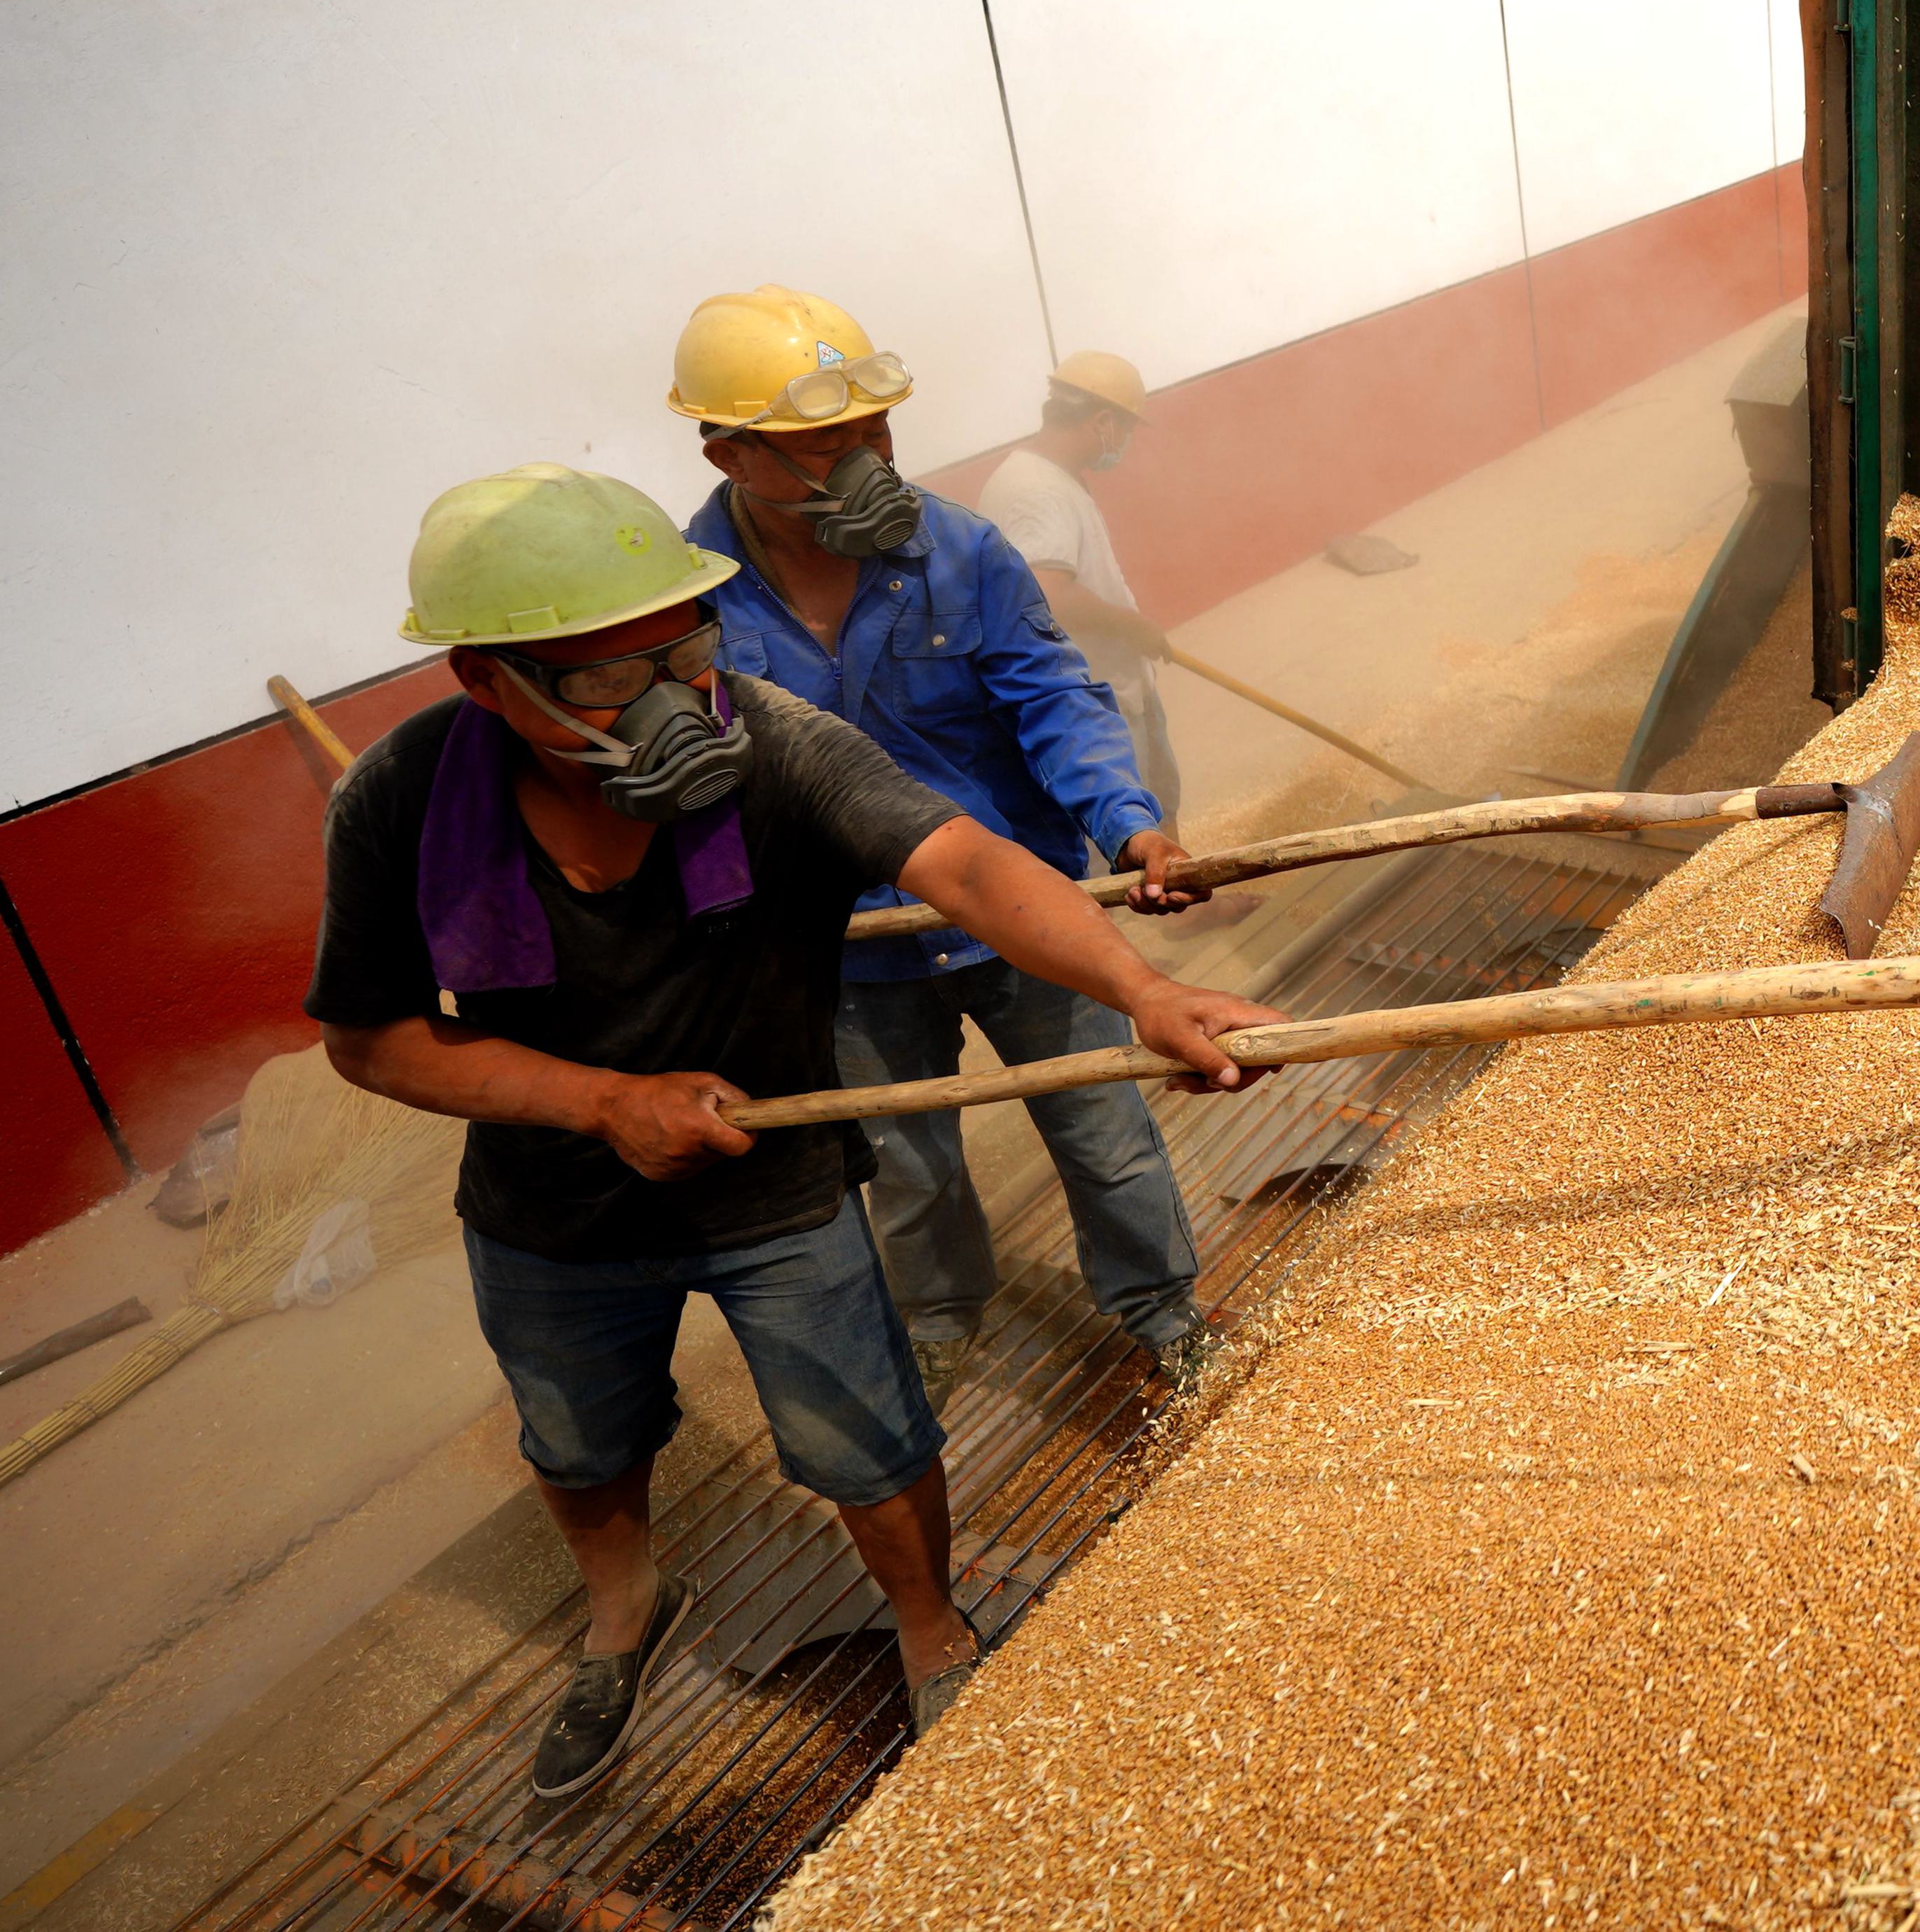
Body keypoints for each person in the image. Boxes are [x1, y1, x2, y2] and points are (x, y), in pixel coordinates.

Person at [309, 465, 1275, 1788]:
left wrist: (1142, 989)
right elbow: (369, 1038)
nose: (667, 701)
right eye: (603, 681)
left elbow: (971, 865)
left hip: (773, 1181)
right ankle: (626, 1614)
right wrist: (599, 1101)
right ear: (489, 682)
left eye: (681, 649)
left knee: (865, 1439)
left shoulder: (772, 742)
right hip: (550, 1207)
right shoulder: (398, 804)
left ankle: (931, 1627)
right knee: (581, 1446)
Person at [664, 288, 1215, 1403]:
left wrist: (1126, 818)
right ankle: (943, 1318)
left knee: (1103, 1131)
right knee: (910, 1164)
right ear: (730, 452)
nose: (867, 465)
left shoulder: (961, 552)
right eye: (826, 445)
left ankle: (1160, 1311)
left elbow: (1054, 693)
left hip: (1020, 908)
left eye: (876, 433)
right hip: (853, 943)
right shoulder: (686, 606)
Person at [976, 352, 1180, 827]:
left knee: (1161, 804)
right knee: (1129, 827)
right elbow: (1049, 594)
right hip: (1093, 703)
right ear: (1103, 422)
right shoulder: (1036, 490)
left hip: (1121, 686)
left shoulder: (1047, 479)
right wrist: (1136, 626)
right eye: (1125, 428)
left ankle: (1193, 903)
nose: (1123, 442)